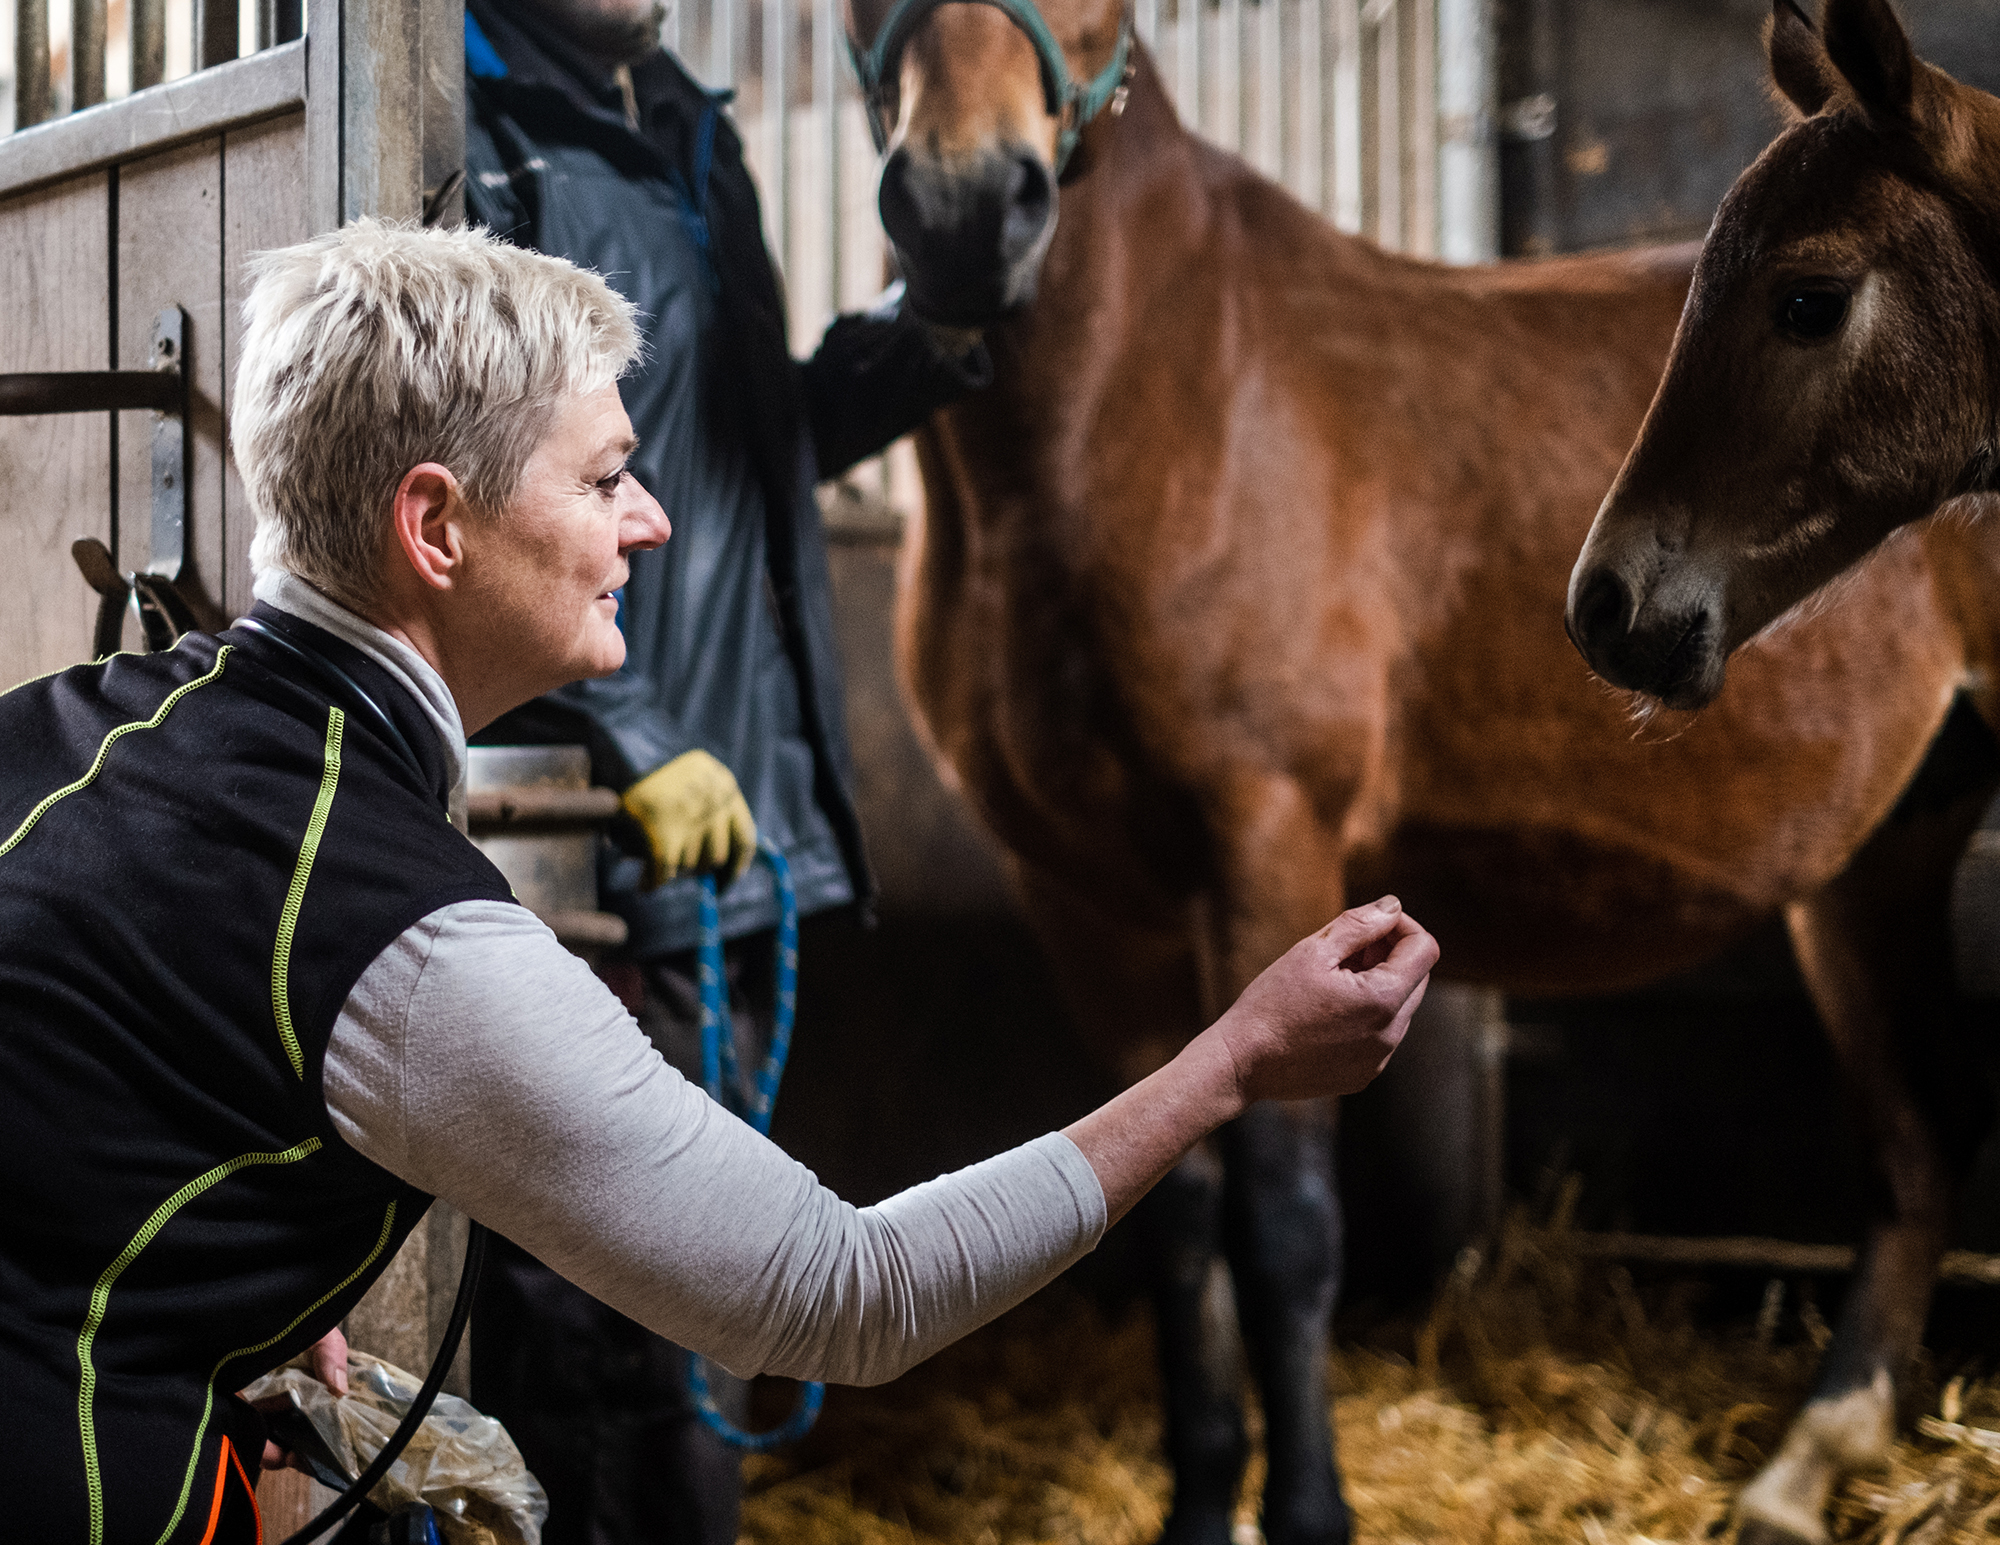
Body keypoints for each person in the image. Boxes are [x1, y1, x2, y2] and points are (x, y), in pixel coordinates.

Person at [0, 221, 1438, 1545]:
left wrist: (234, 1277)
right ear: (435, 528)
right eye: (606, 476)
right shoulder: (405, 938)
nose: (654, 524)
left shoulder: (67, 724)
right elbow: (842, 1296)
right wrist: (1237, 1060)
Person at [451, 4, 990, 1531]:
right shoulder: (473, 128)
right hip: (591, 841)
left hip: (740, 827)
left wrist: (931, 336)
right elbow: (461, 492)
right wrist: (623, 742)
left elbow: (746, 439)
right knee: (606, 1340)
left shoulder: (691, 126)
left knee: (701, 1322)